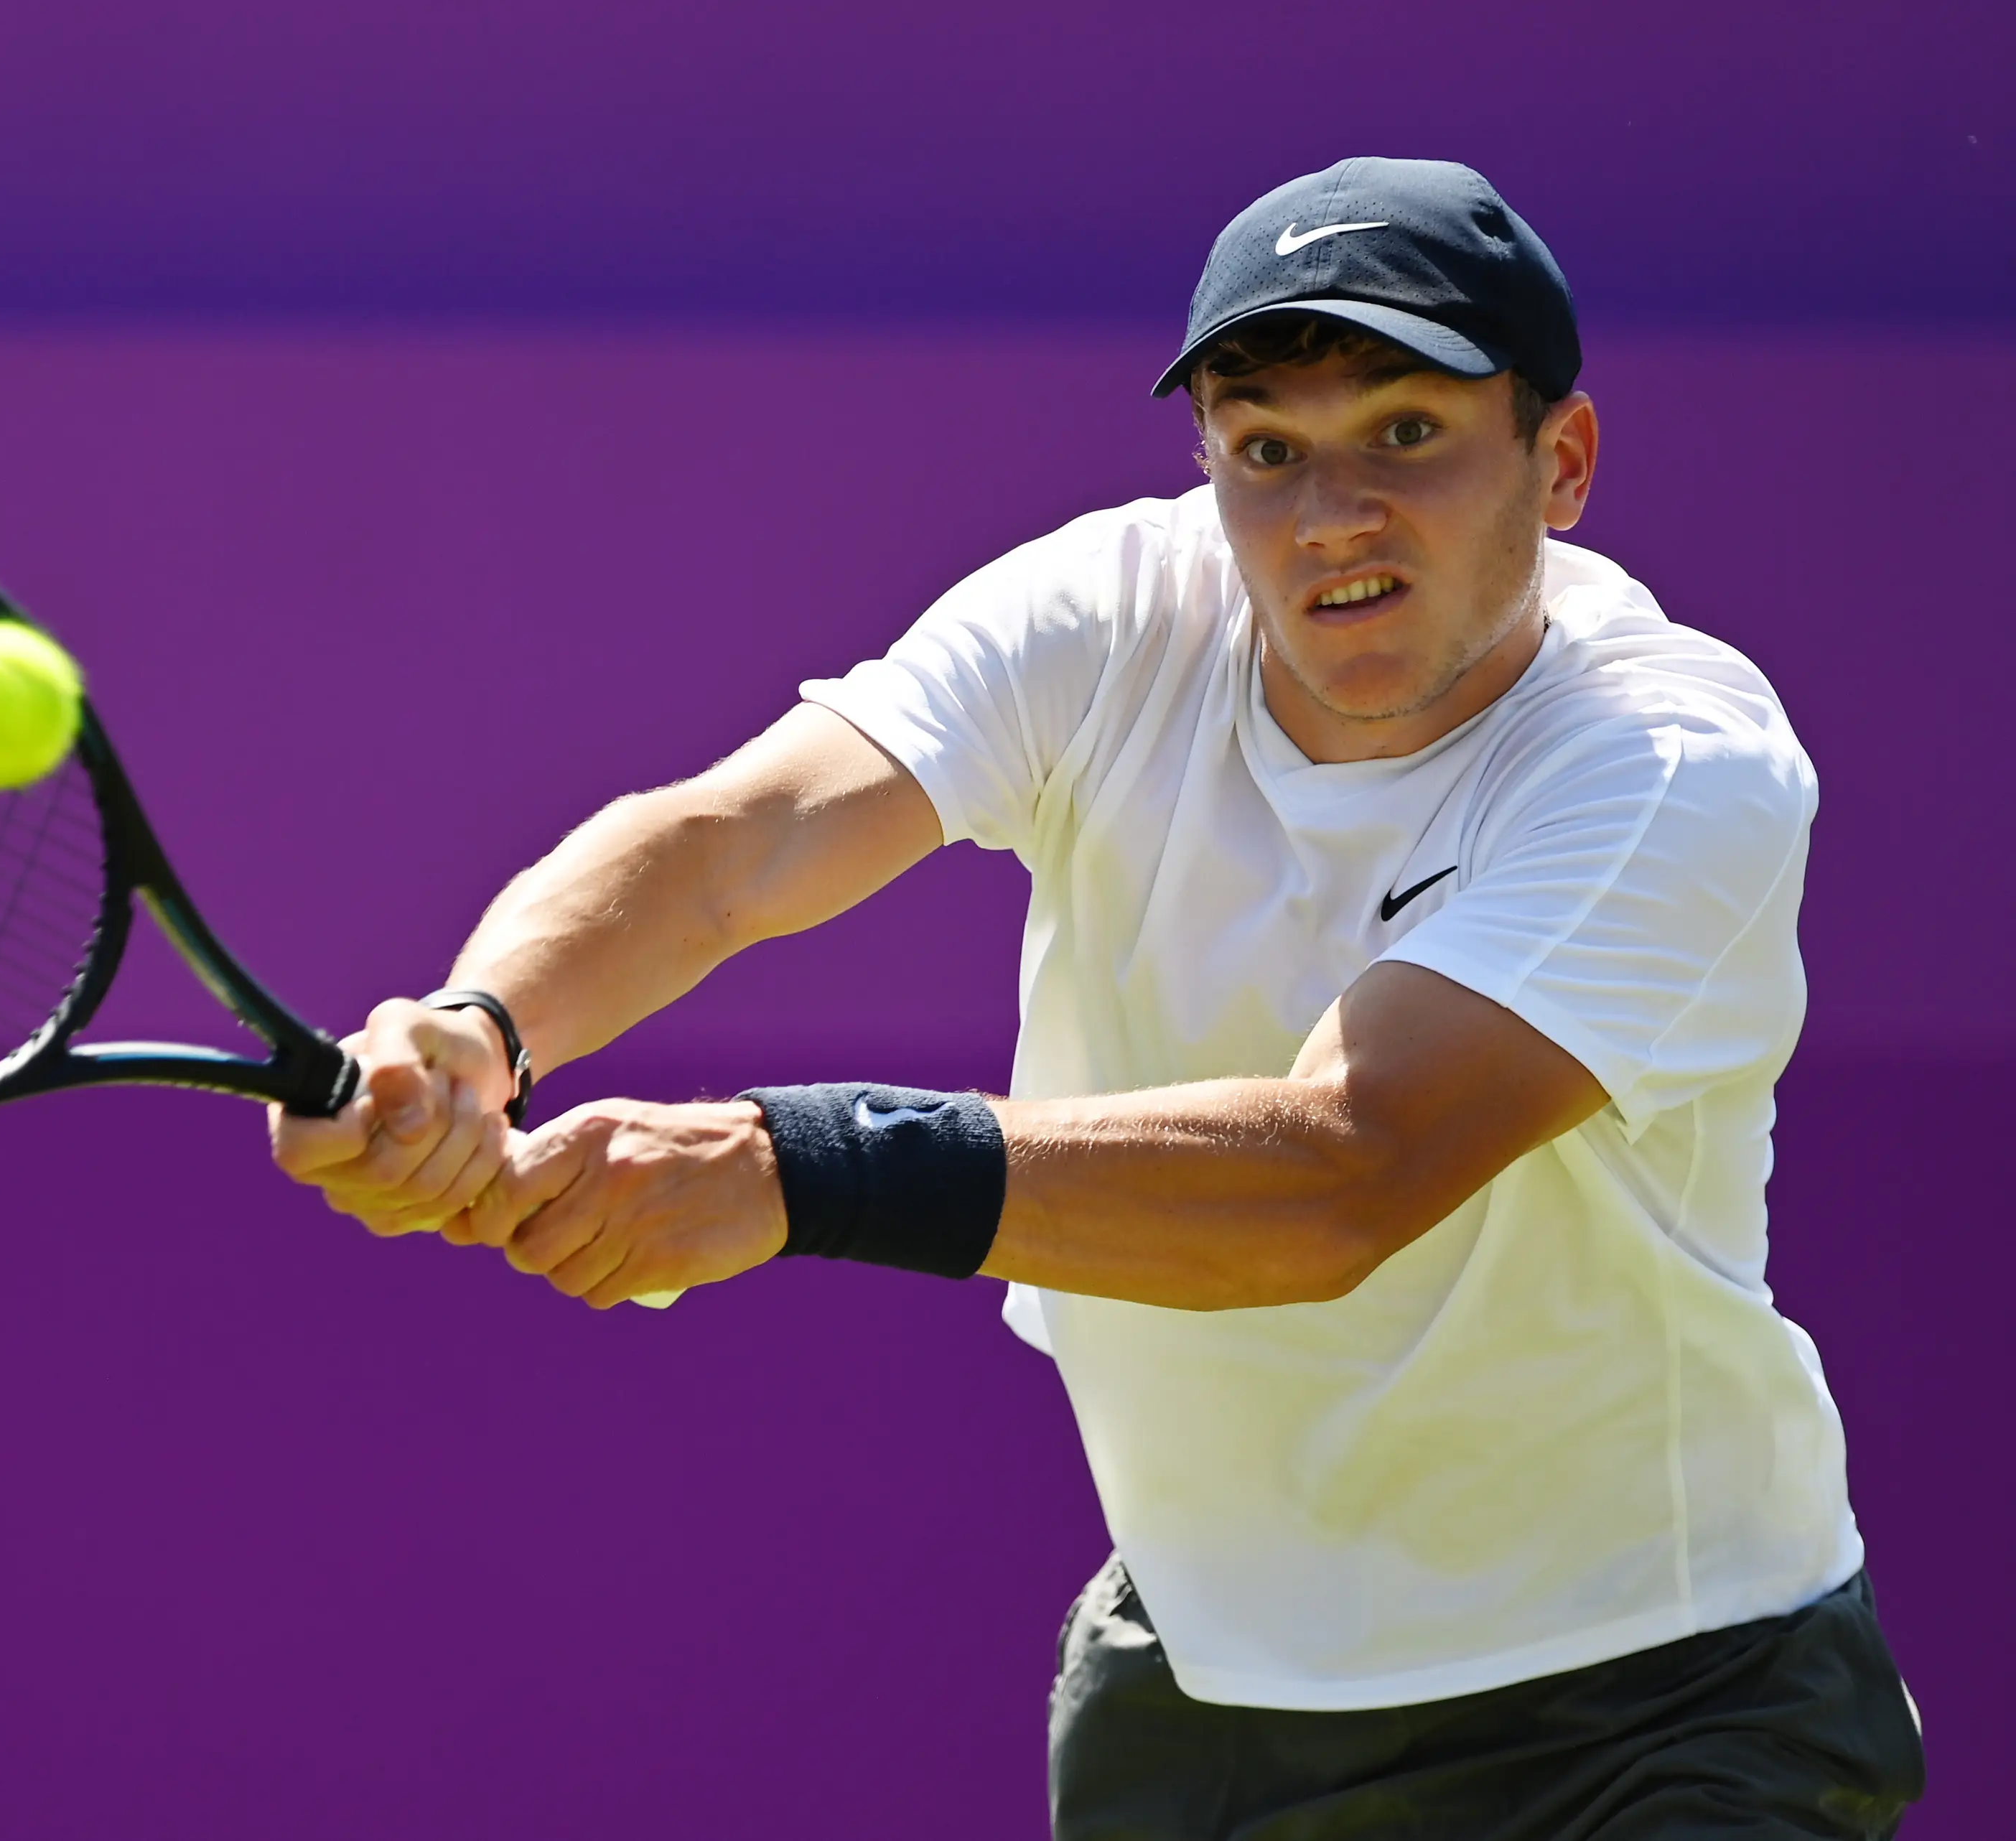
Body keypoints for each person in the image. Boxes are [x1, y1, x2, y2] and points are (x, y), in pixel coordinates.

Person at [267, 157, 1926, 1837]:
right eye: (1266, 447)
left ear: (1559, 461)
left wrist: (798, 1167)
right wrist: (481, 1029)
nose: (1329, 513)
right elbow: (732, 840)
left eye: (1406, 432)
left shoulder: (1670, 761)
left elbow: (1346, 1173)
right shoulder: (1115, 612)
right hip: (1206, 1697)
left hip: (1664, 1716)